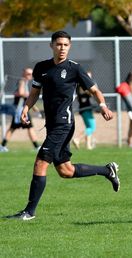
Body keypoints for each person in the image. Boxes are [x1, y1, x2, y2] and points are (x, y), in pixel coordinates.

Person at [5, 31, 120, 221]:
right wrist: (26, 107)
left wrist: (103, 106)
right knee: (66, 171)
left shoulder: (75, 68)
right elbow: (34, 92)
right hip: (52, 124)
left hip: (64, 124)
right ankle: (107, 170)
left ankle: (29, 212)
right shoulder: (41, 67)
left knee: (40, 162)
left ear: (70, 46)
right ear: (51, 45)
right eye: (59, 44)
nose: (62, 48)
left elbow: (94, 90)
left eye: (66, 45)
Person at [0, 68, 40, 152]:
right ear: (24, 74)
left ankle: (2, 146)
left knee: (14, 128)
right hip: (20, 109)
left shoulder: (25, 82)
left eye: (31, 74)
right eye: (28, 74)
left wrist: (34, 107)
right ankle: (36, 147)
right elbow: (21, 93)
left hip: (21, 109)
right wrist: (31, 94)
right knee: (28, 127)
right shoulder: (22, 81)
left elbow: (26, 98)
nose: (30, 76)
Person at [72, 71, 97, 150]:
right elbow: (91, 92)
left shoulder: (82, 85)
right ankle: (77, 139)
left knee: (88, 127)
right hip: (85, 109)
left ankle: (88, 145)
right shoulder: (81, 85)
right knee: (92, 127)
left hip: (86, 108)